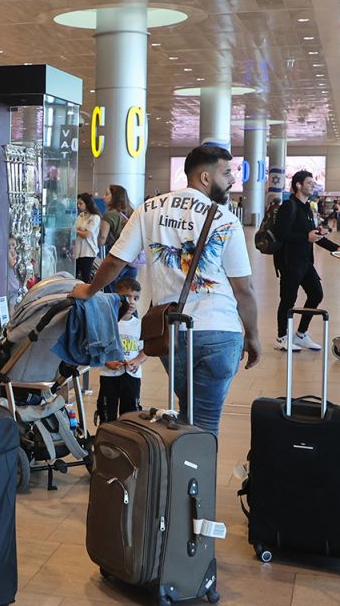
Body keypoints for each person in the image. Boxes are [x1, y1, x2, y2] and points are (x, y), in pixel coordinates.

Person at [72, 144, 261, 436]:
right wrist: (253, 335)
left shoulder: (148, 209)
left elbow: (114, 260)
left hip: (170, 333)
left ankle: (182, 477)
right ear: (206, 178)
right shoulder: (225, 219)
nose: (233, 180)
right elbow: (243, 289)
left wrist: (89, 290)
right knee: (205, 424)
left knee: (188, 414)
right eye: (227, 173)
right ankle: (195, 478)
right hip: (219, 331)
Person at [272, 170, 340, 353]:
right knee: (288, 300)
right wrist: (305, 237)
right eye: (309, 183)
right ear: (298, 185)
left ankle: (301, 334)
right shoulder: (289, 206)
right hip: (289, 262)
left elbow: (314, 236)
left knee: (316, 294)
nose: (313, 186)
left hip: (305, 262)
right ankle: (282, 337)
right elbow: (281, 233)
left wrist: (336, 247)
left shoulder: (307, 208)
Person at [96, 276, 145, 424]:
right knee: (106, 411)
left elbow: (145, 350)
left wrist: (136, 361)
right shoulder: (107, 322)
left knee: (130, 414)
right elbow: (97, 347)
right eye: (127, 297)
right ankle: (106, 440)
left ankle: (127, 441)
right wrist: (107, 361)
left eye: (136, 298)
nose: (131, 302)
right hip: (109, 375)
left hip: (132, 376)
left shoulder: (140, 325)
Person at [98, 184, 137, 283]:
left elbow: (102, 239)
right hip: (132, 259)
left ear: (115, 197)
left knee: (112, 293)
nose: (103, 197)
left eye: (107, 194)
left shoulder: (110, 215)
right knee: (128, 292)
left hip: (116, 258)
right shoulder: (132, 212)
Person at [72, 193, 101, 284]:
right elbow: (77, 229)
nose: (78, 206)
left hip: (88, 251)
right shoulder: (80, 216)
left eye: (81, 203)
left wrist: (76, 231)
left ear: (87, 204)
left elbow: (86, 234)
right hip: (78, 250)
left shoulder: (95, 217)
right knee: (75, 275)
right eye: (78, 204)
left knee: (85, 276)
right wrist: (78, 231)